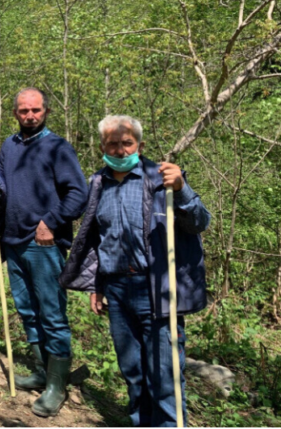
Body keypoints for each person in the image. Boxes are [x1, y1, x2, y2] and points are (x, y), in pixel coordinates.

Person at [60, 115, 210, 427]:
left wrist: (181, 189)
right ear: (102, 146)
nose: (118, 149)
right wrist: (96, 285)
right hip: (116, 290)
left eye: (126, 143)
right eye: (111, 144)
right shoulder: (98, 184)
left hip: (156, 289)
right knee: (133, 372)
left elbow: (200, 222)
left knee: (165, 376)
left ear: (139, 146)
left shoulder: (162, 180)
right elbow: (97, 241)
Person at [0, 87, 88, 416]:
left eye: (36, 110)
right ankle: (43, 371)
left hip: (44, 243)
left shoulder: (57, 147)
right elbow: (4, 186)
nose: (30, 115)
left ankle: (57, 386)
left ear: (46, 112)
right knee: (27, 312)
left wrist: (51, 222)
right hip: (13, 241)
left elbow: (78, 194)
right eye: (24, 110)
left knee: (52, 314)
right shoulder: (9, 147)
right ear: (15, 113)